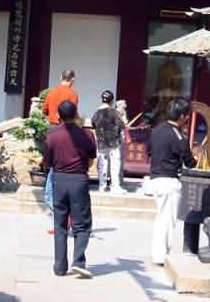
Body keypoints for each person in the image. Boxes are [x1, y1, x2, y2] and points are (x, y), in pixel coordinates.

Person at [42, 101, 96, 279]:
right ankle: (78, 261)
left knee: (60, 223)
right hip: (79, 179)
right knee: (82, 224)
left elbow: (47, 163)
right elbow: (90, 162)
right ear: (76, 115)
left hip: (59, 179)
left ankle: (59, 266)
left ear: (58, 116)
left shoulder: (51, 135)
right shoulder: (86, 135)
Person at [146, 98, 198, 265]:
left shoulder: (156, 130)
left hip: (155, 179)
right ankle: (161, 255)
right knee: (167, 220)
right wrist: (195, 157)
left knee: (161, 218)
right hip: (169, 180)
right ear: (181, 116)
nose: (188, 119)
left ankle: (157, 252)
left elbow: (148, 151)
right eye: (187, 116)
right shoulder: (179, 136)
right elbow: (189, 162)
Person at [42, 70, 79, 213]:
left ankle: (49, 197)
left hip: (51, 127)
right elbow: (73, 113)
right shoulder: (73, 94)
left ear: (61, 77)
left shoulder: (51, 92)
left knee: (49, 161)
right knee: (64, 160)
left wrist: (52, 113)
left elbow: (44, 109)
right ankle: (59, 199)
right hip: (65, 129)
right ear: (72, 79)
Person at [91, 90, 127, 194]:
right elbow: (121, 125)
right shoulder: (114, 112)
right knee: (115, 164)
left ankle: (102, 185)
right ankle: (115, 186)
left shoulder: (96, 113)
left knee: (102, 164)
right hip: (114, 142)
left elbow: (94, 124)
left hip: (101, 141)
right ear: (112, 101)